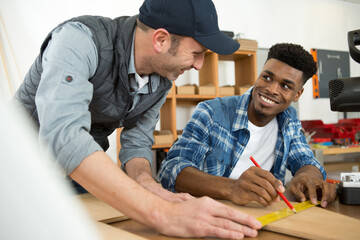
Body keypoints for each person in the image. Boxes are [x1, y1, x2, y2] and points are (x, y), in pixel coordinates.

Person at [11, 0, 262, 238]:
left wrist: (148, 185)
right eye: (196, 52)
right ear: (161, 39)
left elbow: (137, 141)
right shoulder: (78, 40)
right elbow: (64, 136)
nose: (199, 65)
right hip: (16, 176)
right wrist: (162, 213)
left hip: (76, 179)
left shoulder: (162, 78)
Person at [159, 43, 337, 208]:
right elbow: (171, 170)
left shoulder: (288, 119)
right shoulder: (211, 113)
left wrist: (307, 177)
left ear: (297, 94)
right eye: (267, 77)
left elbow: (305, 160)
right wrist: (232, 188)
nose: (272, 89)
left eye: (285, 86)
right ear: (259, 75)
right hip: (209, 215)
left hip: (260, 217)